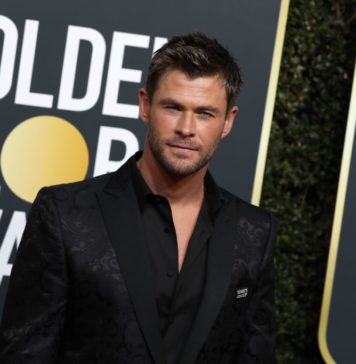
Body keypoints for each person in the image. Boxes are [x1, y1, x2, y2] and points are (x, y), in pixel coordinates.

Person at [0, 32, 276, 364]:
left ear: (228, 121)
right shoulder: (64, 214)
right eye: (173, 107)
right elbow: (24, 354)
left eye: (205, 113)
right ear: (145, 105)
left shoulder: (254, 233)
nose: (186, 128)